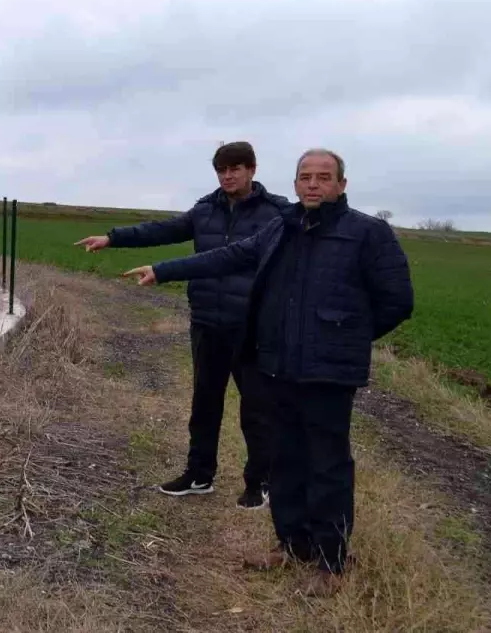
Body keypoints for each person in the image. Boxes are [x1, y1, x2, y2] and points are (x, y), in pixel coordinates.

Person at [122, 149, 414, 596]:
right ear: (295, 183)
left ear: (342, 184)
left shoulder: (367, 234)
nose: (313, 185)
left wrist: (344, 336)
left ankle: (330, 562)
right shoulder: (283, 227)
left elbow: (397, 301)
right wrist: (163, 270)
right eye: (305, 177)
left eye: (323, 177)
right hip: (276, 365)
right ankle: (291, 545)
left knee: (327, 464)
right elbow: (227, 257)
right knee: (284, 458)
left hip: (328, 374)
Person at [75, 141, 288, 509]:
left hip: (252, 325)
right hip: (207, 320)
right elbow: (162, 230)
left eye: (235, 168)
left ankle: (259, 482)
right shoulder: (205, 210)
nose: (228, 176)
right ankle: (199, 474)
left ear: (252, 169)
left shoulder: (277, 213)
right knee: (204, 403)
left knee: (256, 408)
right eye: (221, 170)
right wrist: (113, 237)